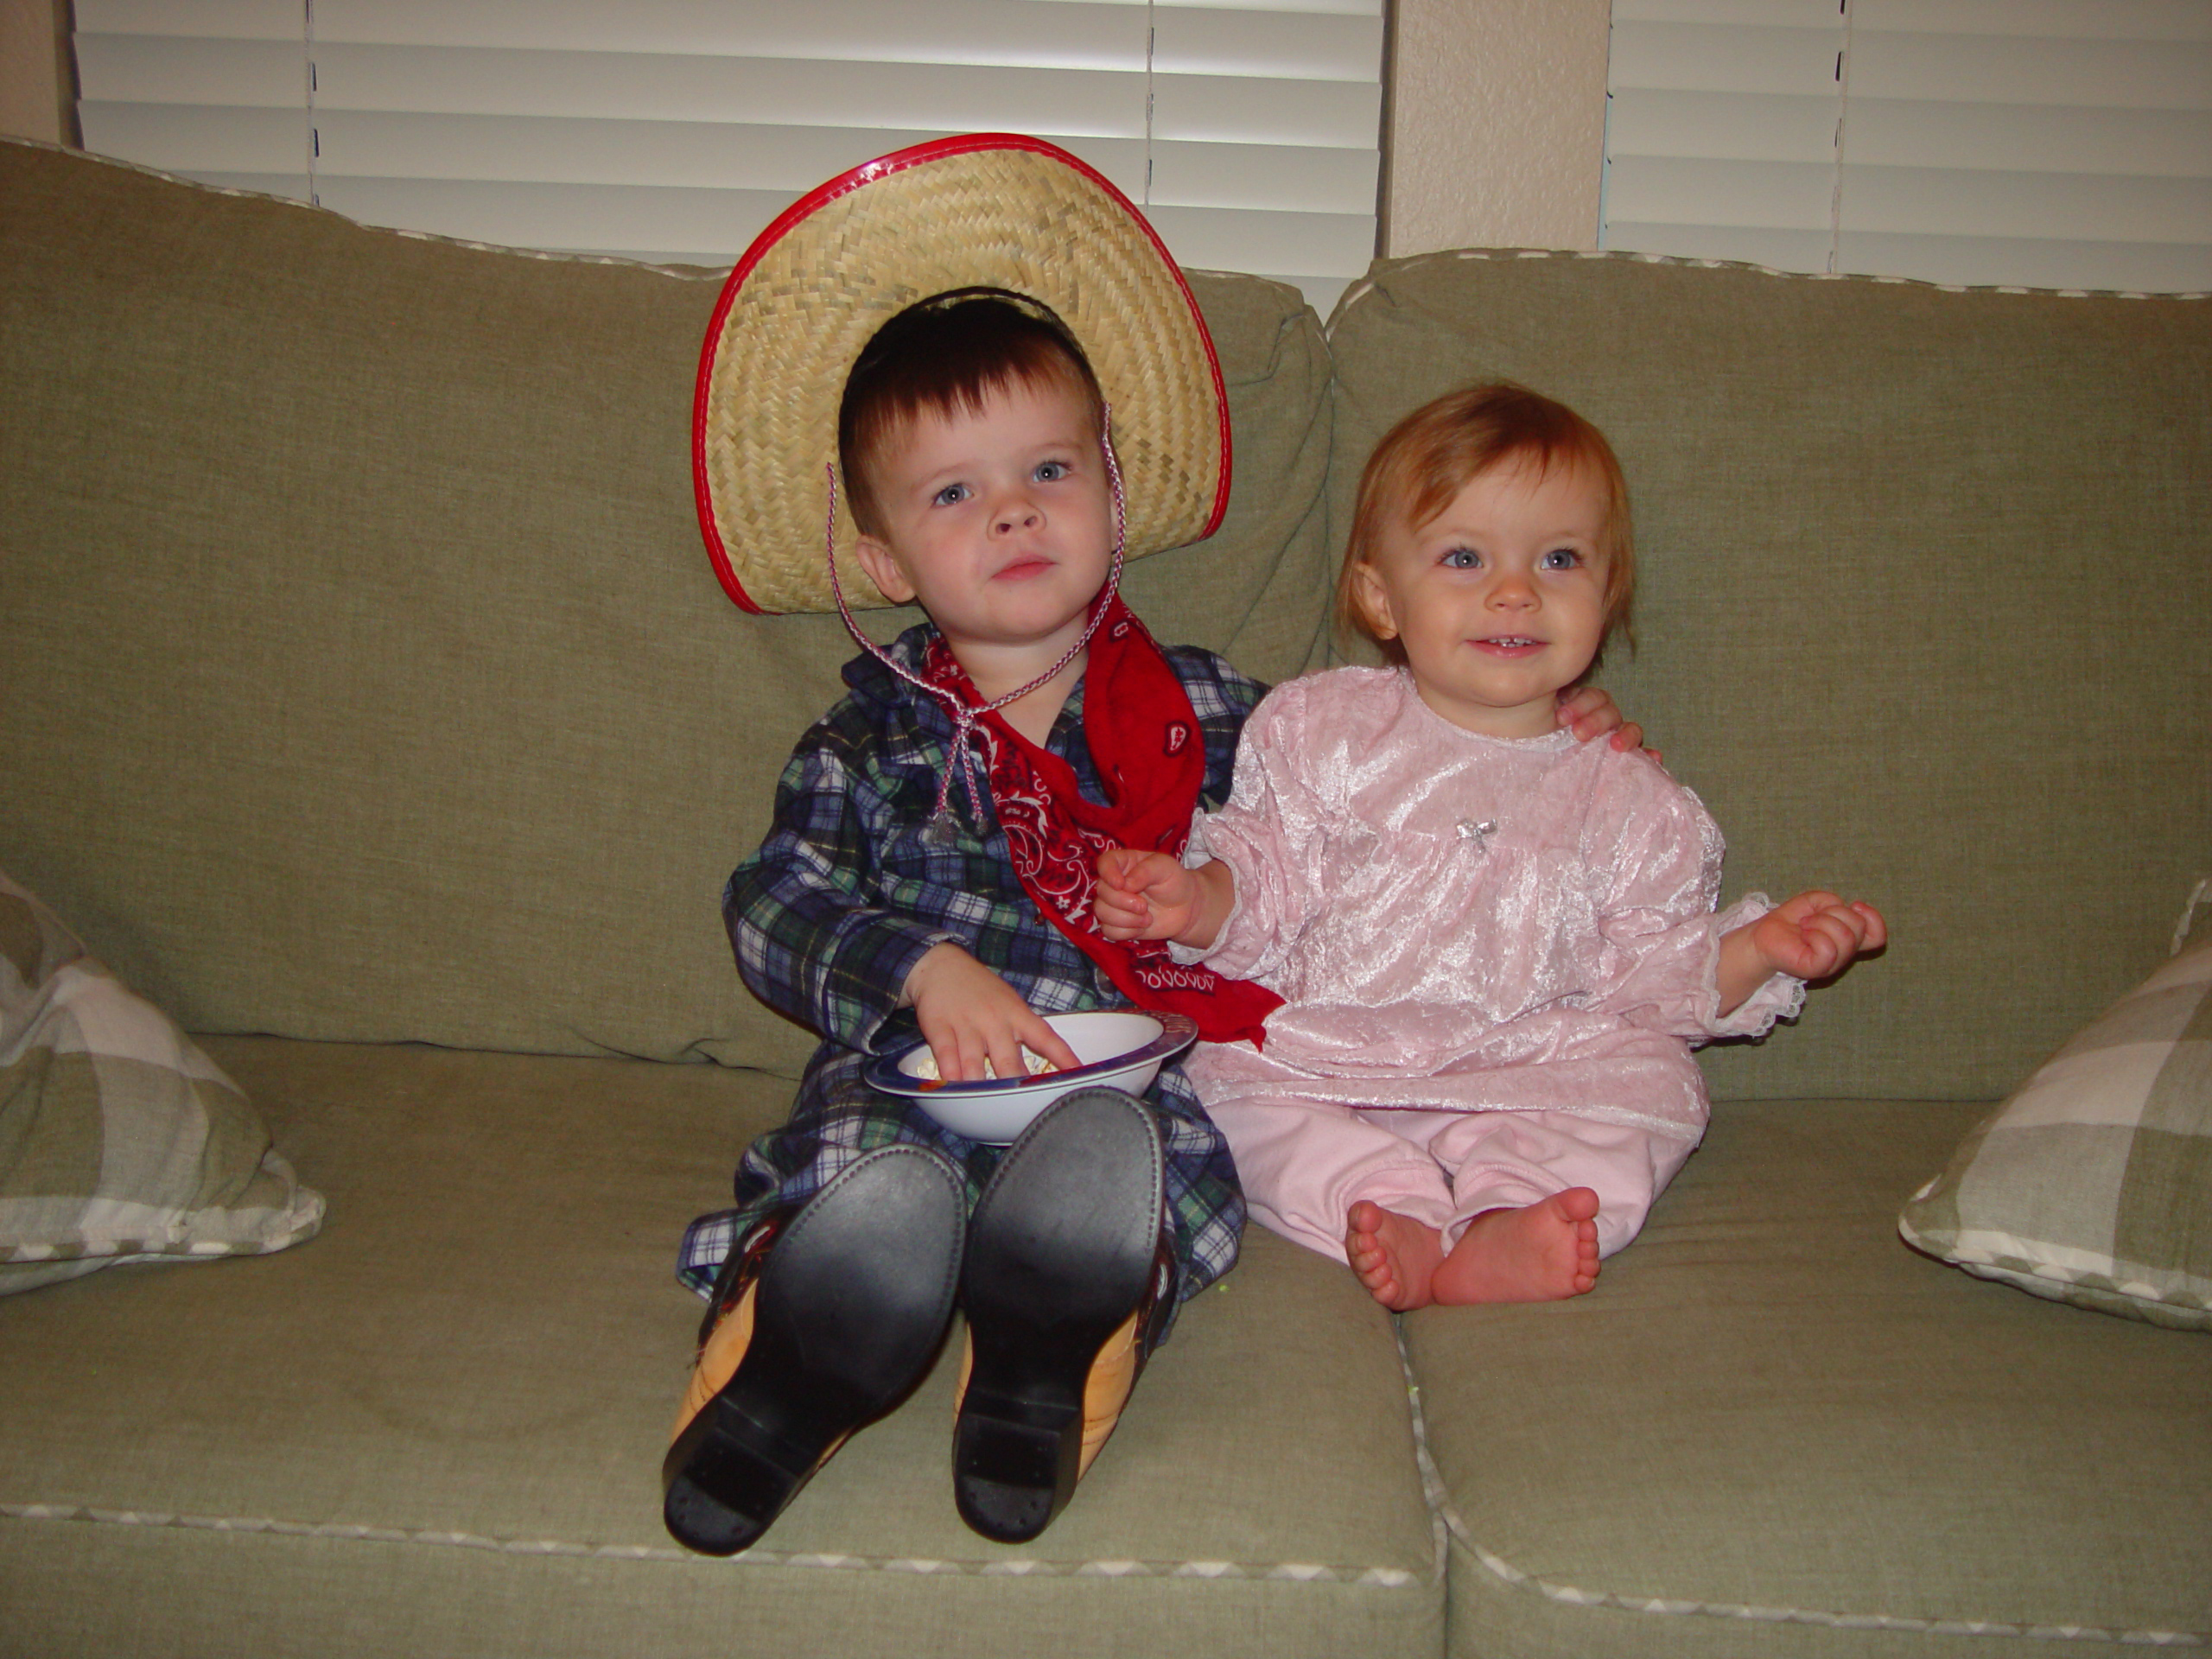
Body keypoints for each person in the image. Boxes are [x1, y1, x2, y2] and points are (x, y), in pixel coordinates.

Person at [668, 142, 1640, 1556]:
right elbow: (774, 903)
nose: (1011, 510)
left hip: (1126, 1081)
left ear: (1112, 496)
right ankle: (770, 1382)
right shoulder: (866, 744)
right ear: (882, 561)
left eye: (1047, 470)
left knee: (1169, 1169)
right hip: (925, 1076)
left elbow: (1387, 790)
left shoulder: (1231, 713)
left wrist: (1528, 731)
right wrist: (925, 969)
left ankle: (1047, 1375)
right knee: (859, 1170)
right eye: (952, 494)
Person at [1095, 382, 1885, 1313]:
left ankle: (1512, 1218)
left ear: (1605, 595)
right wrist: (1200, 902)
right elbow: (1269, 873)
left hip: (1540, 1065)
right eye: (1464, 557)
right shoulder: (1326, 731)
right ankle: (1385, 1206)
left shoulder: (1630, 799)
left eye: (1558, 559)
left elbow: (1648, 981)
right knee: (1226, 1091)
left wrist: (1757, 950)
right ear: (1381, 598)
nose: (1514, 591)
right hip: (1336, 1051)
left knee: (1660, 1092)